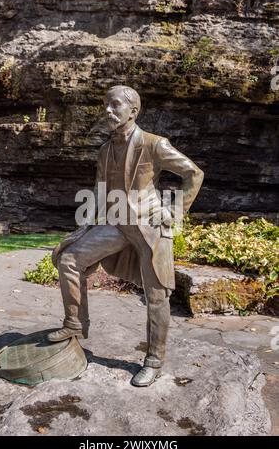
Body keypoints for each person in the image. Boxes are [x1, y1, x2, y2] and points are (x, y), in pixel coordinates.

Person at [49, 85, 204, 387]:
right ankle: (74, 324)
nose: (108, 110)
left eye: (115, 105)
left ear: (133, 111)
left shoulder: (154, 144)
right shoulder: (105, 149)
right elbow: (99, 189)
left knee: (157, 294)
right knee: (68, 258)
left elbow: (193, 174)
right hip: (117, 222)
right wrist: (86, 223)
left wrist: (174, 211)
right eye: (105, 104)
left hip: (150, 227)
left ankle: (154, 361)